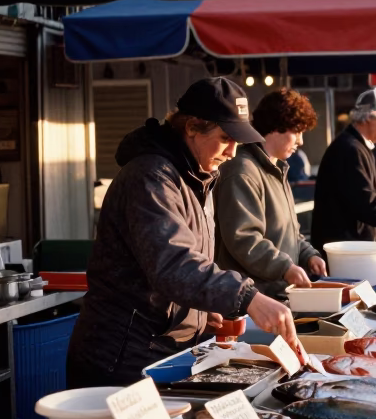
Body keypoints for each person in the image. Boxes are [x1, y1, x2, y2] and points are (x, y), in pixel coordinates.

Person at [66, 78, 298, 387]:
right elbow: (173, 264)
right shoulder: (151, 177)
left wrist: (199, 314)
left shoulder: (197, 175)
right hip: (121, 355)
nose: (232, 152)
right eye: (225, 137)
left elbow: (184, 266)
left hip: (161, 348)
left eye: (237, 141)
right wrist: (246, 296)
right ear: (191, 127)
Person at [215, 88, 326, 299]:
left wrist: (307, 254)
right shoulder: (242, 170)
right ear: (276, 127)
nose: (301, 141)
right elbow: (244, 239)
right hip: (252, 301)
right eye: (297, 131)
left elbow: (288, 233)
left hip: (277, 295)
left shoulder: (277, 169)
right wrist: (285, 268)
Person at [311, 88, 376, 250]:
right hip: (343, 250)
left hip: (350, 247)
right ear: (370, 117)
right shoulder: (350, 149)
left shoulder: (359, 147)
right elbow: (364, 200)